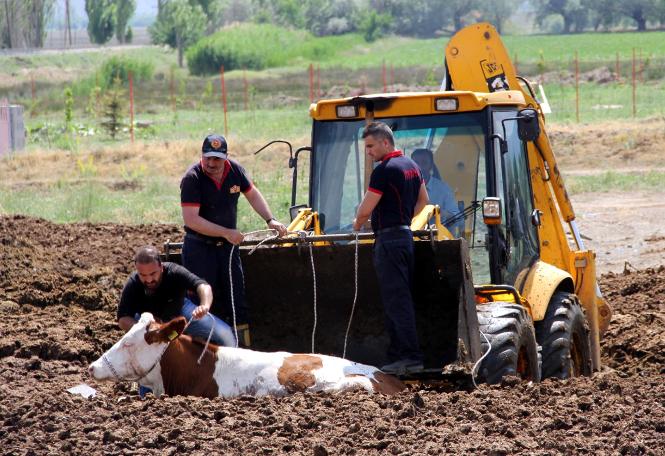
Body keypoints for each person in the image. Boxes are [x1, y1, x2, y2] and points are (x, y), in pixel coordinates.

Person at [180, 134, 288, 347]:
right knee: (203, 303)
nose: (211, 164)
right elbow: (191, 220)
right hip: (200, 249)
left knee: (236, 300)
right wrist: (226, 232)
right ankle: (202, 352)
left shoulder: (235, 170)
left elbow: (253, 194)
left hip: (227, 250)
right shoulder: (192, 178)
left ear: (226, 157)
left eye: (216, 159)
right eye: (207, 158)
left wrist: (270, 219)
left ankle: (242, 349)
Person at [352, 122, 429, 375]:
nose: (369, 152)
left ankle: (409, 357)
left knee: (396, 301)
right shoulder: (412, 166)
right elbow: (423, 201)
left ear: (386, 142)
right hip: (405, 237)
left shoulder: (384, 170)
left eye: (371, 146)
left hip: (389, 241)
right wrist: (403, 217)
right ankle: (400, 356)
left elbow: (365, 208)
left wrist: (358, 223)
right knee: (401, 297)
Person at [116, 245, 235, 348]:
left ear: (161, 267)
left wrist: (204, 305)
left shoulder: (174, 272)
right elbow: (122, 318)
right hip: (148, 323)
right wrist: (147, 329)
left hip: (182, 313)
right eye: (143, 275)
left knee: (225, 333)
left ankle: (234, 367)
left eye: (153, 273)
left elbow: (203, 286)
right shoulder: (133, 283)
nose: (149, 279)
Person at [411, 148, 461, 232]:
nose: (419, 167)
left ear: (431, 166)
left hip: (437, 239)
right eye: (416, 163)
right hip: (409, 238)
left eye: (424, 163)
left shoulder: (443, 189)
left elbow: (457, 217)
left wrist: (437, 212)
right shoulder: (403, 187)